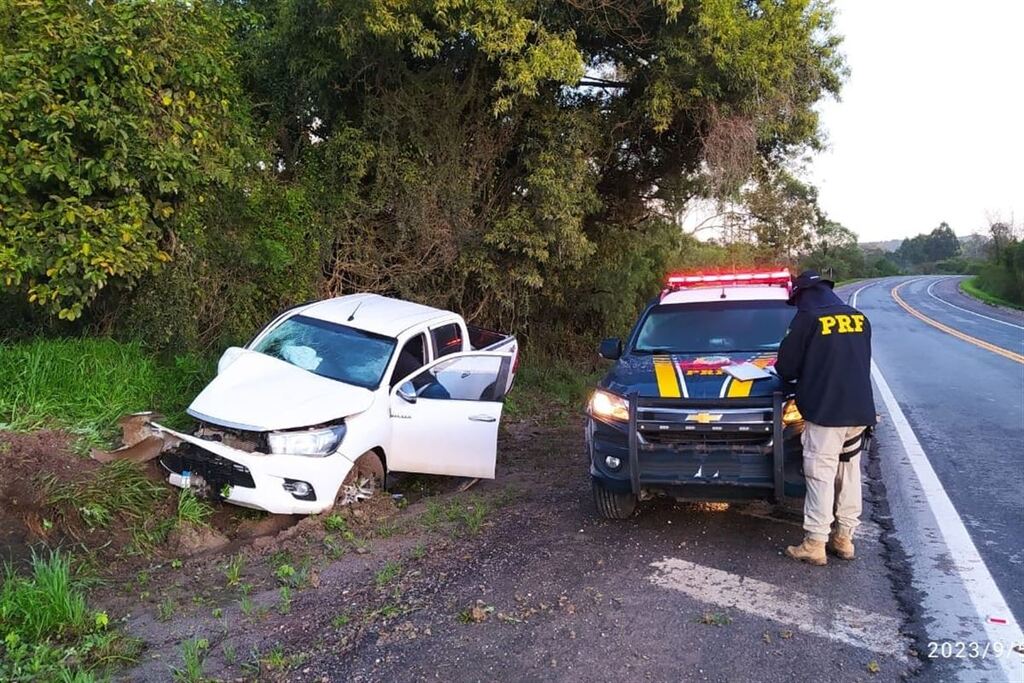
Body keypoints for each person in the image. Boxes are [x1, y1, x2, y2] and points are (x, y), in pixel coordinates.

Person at [775, 270, 875, 566]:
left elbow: (787, 368)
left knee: (820, 473)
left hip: (826, 411)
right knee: (849, 472)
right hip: (859, 411)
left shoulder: (808, 319)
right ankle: (844, 538)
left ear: (803, 294)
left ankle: (814, 543)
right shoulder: (858, 318)